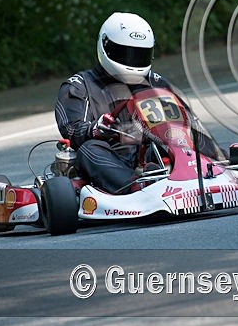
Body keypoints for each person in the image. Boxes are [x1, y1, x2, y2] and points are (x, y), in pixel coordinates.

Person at [54, 11, 221, 194]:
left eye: (139, 55)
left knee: (186, 134)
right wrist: (94, 128)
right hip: (110, 159)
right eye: (125, 53)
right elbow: (71, 129)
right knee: (89, 149)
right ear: (106, 46)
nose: (132, 61)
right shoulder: (79, 86)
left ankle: (219, 169)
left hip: (150, 154)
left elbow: (185, 122)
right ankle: (135, 188)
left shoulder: (156, 82)